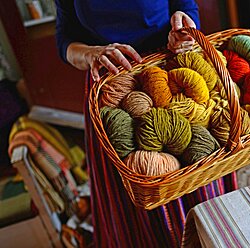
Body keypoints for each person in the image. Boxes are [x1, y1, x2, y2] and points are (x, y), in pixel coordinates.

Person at [55, 1, 237, 247]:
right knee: (135, 192)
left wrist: (183, 31)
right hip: (111, 89)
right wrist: (90, 53)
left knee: (196, 167)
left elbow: (186, 6)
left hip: (165, 77)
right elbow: (65, 39)